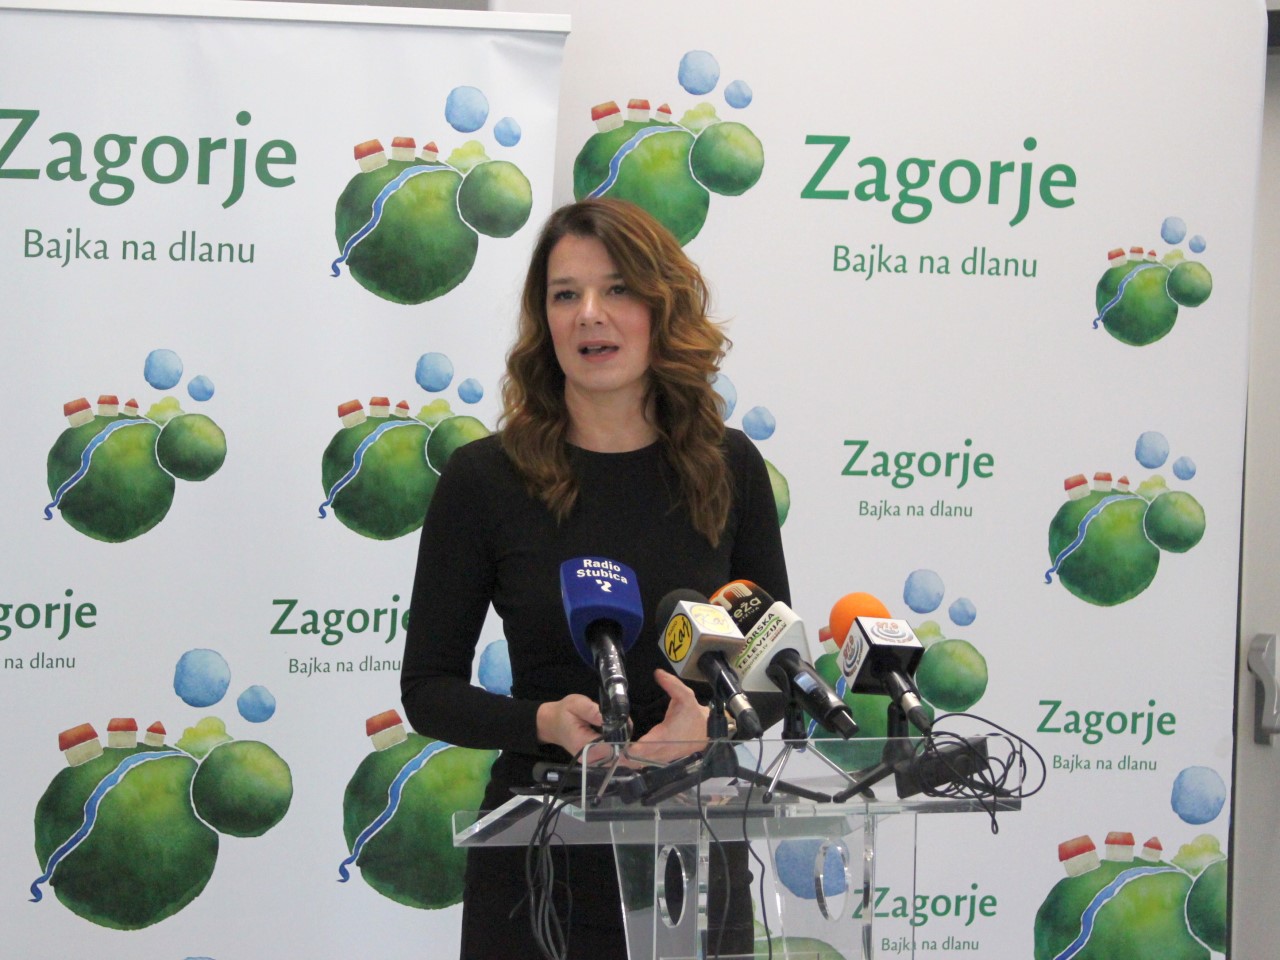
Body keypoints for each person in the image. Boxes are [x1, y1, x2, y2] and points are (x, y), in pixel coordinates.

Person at [400, 197, 790, 960]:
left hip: (693, 847)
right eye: (564, 294)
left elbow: (774, 670)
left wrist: (708, 728)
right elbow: (429, 688)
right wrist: (546, 724)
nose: (589, 315)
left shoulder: (729, 466)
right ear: (543, 320)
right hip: (541, 858)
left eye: (617, 290)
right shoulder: (484, 480)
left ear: (661, 307)